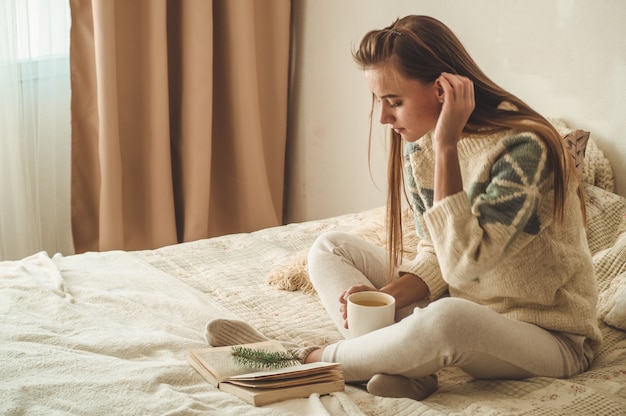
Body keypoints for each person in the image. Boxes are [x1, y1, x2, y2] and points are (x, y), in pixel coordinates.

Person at [206, 15, 601, 401]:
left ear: (442, 91)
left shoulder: (523, 151)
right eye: (379, 101)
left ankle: (303, 361)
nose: (382, 117)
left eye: (394, 101)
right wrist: (383, 297)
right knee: (331, 248)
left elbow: (464, 264)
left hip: (549, 337)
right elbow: (436, 254)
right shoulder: (421, 146)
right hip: (467, 303)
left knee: (447, 320)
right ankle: (403, 368)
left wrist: (447, 145)